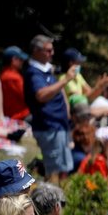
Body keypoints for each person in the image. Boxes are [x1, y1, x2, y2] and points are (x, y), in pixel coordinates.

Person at [24, 36, 77, 183]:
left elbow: (59, 93)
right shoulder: (34, 73)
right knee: (54, 172)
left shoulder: (46, 71)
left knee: (63, 169)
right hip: (49, 127)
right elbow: (41, 95)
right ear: (36, 51)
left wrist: (67, 115)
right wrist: (65, 80)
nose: (52, 53)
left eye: (52, 49)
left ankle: (60, 201)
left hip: (60, 126)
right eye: (48, 50)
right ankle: (50, 202)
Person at [0, 46, 30, 121]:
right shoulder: (14, 78)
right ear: (13, 60)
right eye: (21, 59)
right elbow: (28, 97)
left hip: (12, 115)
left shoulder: (4, 74)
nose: (22, 61)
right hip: (20, 116)